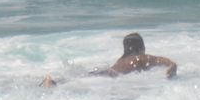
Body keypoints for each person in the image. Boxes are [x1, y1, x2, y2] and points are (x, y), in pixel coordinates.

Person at [40, 32, 177, 87]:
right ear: (141, 47)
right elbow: (158, 60)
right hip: (110, 76)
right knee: (81, 78)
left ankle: (51, 81)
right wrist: (172, 65)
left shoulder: (121, 60)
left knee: (79, 77)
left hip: (105, 72)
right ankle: (51, 83)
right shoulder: (140, 58)